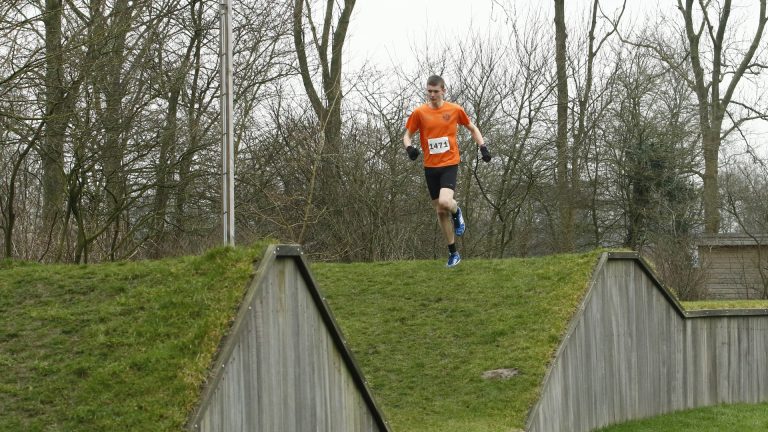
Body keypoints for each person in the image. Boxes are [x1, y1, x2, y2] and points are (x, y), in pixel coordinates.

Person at [403, 75, 492, 268]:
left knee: (445, 202)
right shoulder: (419, 112)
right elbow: (407, 135)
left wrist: (483, 147)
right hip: (430, 167)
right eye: (429, 91)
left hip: (450, 163)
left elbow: (472, 127)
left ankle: (456, 210)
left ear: (444, 91)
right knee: (440, 210)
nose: (432, 95)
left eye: (436, 91)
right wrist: (409, 148)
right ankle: (453, 253)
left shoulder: (455, 110)